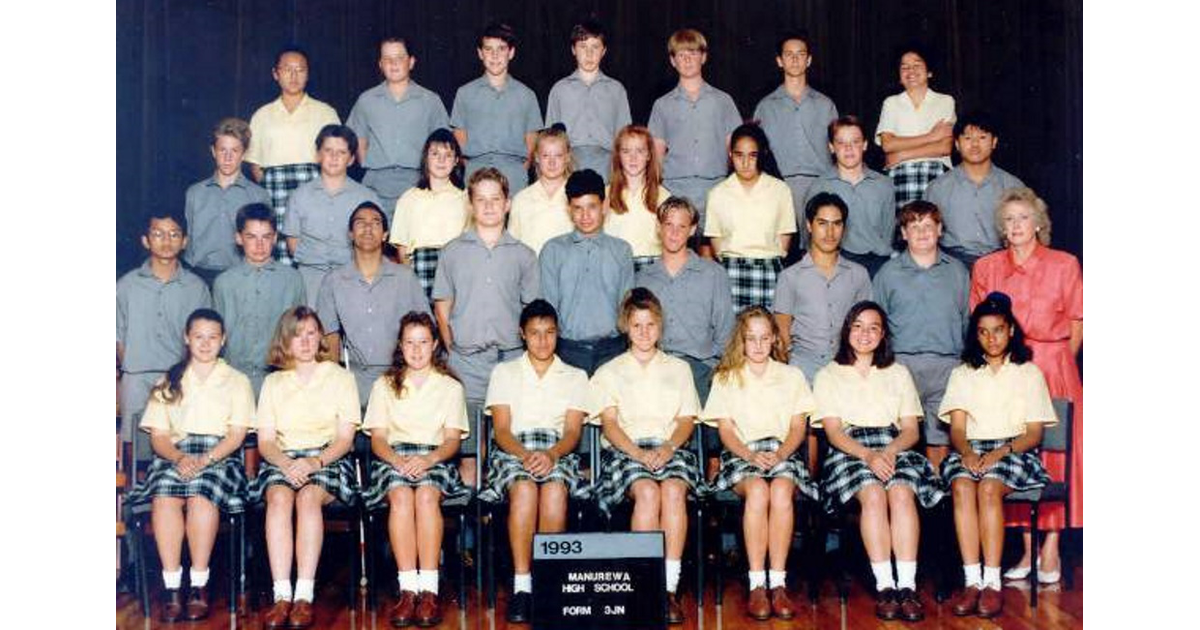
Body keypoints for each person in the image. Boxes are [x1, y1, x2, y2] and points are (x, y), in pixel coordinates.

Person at [969, 187, 1082, 585]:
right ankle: (1025, 549)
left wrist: (1057, 364)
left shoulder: (1064, 263)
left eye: (1023, 218)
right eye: (1009, 220)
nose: (1015, 225)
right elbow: (978, 323)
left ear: (1038, 223)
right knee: (1011, 452)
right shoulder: (987, 267)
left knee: (1053, 456)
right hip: (1006, 369)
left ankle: (1050, 547)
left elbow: (1077, 323)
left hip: (1052, 366)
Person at [812, 301, 944, 622]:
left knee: (900, 492)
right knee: (872, 493)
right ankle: (885, 586)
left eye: (873, 327)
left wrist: (888, 452)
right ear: (847, 331)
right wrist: (868, 455)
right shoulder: (829, 374)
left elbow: (912, 430)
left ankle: (907, 587)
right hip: (851, 449)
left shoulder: (898, 373)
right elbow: (832, 432)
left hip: (894, 445)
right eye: (857, 326)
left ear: (883, 335)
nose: (865, 334)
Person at [126, 309, 253, 623]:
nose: (206, 343)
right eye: (199, 336)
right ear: (187, 338)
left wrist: (206, 459)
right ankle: (172, 588)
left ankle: (199, 585)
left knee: (200, 495)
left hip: (219, 456)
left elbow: (237, 435)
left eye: (213, 337)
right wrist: (179, 458)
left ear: (223, 341)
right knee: (165, 497)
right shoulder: (169, 379)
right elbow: (159, 436)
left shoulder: (237, 381)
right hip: (175, 454)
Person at [588, 287, 703, 625]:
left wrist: (668, 448)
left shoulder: (679, 368)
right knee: (649, 492)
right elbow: (608, 424)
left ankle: (667, 587)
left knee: (672, 490)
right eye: (636, 325)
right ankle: (643, 584)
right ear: (626, 326)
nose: (643, 332)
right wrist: (639, 454)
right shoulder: (609, 371)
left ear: (660, 327)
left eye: (650, 325)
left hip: (670, 448)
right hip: (628, 451)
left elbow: (686, 420)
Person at [938, 292, 1056, 619]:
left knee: (989, 487)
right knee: (963, 486)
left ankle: (992, 583)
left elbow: (1034, 433)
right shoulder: (962, 373)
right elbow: (957, 430)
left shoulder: (1028, 372)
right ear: (975, 335)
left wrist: (998, 454)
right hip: (971, 448)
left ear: (1011, 331)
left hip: (1014, 449)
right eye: (983, 331)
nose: (992, 338)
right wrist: (967, 453)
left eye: (999, 330)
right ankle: (972, 581)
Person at [701, 306, 817, 621]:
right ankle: (756, 584)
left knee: (780, 490)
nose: (758, 345)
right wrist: (750, 455)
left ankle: (778, 583)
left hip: (782, 452)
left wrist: (780, 455)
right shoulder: (726, 376)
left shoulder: (792, 376)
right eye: (751, 338)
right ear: (741, 340)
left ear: (774, 339)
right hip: (741, 453)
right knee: (757, 491)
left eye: (765, 337)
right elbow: (725, 430)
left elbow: (797, 428)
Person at [479, 300, 590, 623]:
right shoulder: (505, 372)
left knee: (555, 490)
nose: (543, 341)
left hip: (557, 450)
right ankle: (522, 585)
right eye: (535, 333)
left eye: (550, 333)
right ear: (522, 335)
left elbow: (572, 431)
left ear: (558, 334)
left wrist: (552, 454)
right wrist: (526, 456)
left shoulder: (575, 375)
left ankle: (548, 582)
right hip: (514, 450)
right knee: (525, 490)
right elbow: (500, 429)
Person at [251, 306, 360, 629]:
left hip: (327, 458)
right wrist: (287, 464)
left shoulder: (341, 378)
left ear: (320, 337)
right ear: (285, 340)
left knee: (308, 498)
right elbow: (266, 442)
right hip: (283, 459)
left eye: (312, 333)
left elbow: (345, 439)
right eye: (297, 334)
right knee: (280, 499)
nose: (306, 340)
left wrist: (314, 462)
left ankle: (303, 596)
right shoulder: (273, 382)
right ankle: (281, 595)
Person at [362, 312, 471, 628]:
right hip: (394, 459)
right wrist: (397, 461)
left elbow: (452, 441)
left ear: (435, 344)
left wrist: (429, 460)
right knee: (400, 496)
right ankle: (408, 588)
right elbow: (378, 439)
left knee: (425, 496)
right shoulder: (384, 385)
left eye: (424, 342)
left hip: (435, 459)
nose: (417, 349)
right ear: (400, 345)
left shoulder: (450, 387)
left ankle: (429, 590)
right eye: (409, 342)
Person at [433, 167, 540, 488]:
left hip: (510, 362)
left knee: (511, 452)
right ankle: (470, 535)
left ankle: (503, 530)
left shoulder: (524, 255)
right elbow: (442, 307)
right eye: (481, 200)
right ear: (470, 204)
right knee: (469, 454)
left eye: (496, 199)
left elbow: (533, 313)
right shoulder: (452, 252)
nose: (489, 206)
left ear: (508, 204)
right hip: (466, 363)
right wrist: (454, 347)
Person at [872, 201, 970, 470]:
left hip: (946, 366)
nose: (922, 232)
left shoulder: (958, 271)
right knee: (901, 437)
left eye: (928, 225)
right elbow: (877, 324)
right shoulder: (888, 274)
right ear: (903, 233)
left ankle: (937, 502)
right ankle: (907, 500)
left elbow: (965, 320)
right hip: (902, 365)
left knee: (940, 440)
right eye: (914, 226)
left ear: (939, 230)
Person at [118, 211, 212, 458]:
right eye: (158, 234)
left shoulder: (196, 287)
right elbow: (116, 337)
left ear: (185, 241)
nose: (166, 241)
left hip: (180, 379)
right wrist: (134, 367)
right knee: (135, 453)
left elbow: (205, 339)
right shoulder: (126, 286)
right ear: (146, 240)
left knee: (179, 449)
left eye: (174, 234)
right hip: (137, 379)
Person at [316, 201, 431, 402]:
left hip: (400, 379)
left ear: (385, 234)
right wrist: (333, 386)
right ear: (350, 233)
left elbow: (426, 330)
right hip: (353, 382)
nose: (368, 228)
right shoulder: (333, 280)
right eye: (360, 222)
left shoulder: (405, 278)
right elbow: (329, 338)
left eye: (376, 223)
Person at [648, 28, 742, 255]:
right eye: (681, 55)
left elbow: (736, 149)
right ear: (672, 61)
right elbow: (656, 155)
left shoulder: (723, 101)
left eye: (692, 53)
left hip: (715, 188)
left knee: (712, 255)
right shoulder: (662, 105)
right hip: (676, 189)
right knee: (677, 253)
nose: (687, 59)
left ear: (704, 56)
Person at [244, 47, 340, 263]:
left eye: (300, 70)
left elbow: (337, 158)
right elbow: (255, 164)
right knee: (276, 253)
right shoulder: (262, 115)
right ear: (275, 74)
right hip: (274, 193)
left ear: (308, 74)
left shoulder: (325, 112)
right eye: (288, 69)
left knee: (314, 252)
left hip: (314, 190)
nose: (294, 75)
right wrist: (272, 189)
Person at [635, 196, 734, 405]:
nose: (674, 232)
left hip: (700, 369)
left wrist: (713, 369)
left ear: (692, 229)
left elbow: (726, 333)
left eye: (682, 226)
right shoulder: (643, 277)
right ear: (658, 227)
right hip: (654, 367)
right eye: (668, 224)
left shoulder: (713, 274)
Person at [539, 169, 634, 375]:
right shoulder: (553, 250)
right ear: (569, 209)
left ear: (605, 206)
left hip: (613, 350)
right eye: (577, 208)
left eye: (592, 207)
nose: (585, 216)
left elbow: (626, 308)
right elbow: (549, 307)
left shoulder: (621, 251)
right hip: (568, 351)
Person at [346, 36, 451, 221]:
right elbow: (358, 142)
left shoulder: (430, 100)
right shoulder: (366, 100)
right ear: (380, 64)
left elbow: (443, 145)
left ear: (411, 62)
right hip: (376, 186)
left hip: (417, 184)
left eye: (400, 58)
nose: (393, 64)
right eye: (387, 59)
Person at [753, 30, 839, 250]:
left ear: (808, 60)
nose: (794, 58)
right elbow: (756, 153)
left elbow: (838, 149)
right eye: (788, 54)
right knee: (779, 252)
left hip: (818, 185)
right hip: (779, 188)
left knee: (820, 252)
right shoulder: (765, 106)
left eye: (800, 54)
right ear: (779, 61)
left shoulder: (825, 104)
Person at [772, 192, 872, 383]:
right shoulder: (790, 276)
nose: (830, 232)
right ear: (809, 226)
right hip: (802, 367)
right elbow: (782, 331)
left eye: (837, 223)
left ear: (844, 227)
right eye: (822, 223)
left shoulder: (858, 275)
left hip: (846, 366)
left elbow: (867, 325)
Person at [213, 203, 306, 396]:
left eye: (266, 237)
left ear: (275, 238)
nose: (259, 245)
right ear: (238, 238)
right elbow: (217, 336)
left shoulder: (292, 279)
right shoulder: (224, 282)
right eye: (251, 237)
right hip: (234, 378)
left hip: (280, 379)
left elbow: (300, 331)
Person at [282, 124, 382, 304]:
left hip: (352, 276)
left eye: (342, 152)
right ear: (318, 155)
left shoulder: (367, 197)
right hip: (309, 279)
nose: (334, 157)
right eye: (328, 150)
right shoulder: (300, 195)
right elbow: (293, 243)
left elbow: (375, 243)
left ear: (351, 159)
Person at [704, 122, 796, 310]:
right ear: (730, 155)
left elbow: (784, 240)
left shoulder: (780, 190)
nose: (745, 163)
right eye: (739, 155)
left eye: (752, 156)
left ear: (761, 155)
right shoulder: (717, 193)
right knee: (731, 336)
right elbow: (716, 243)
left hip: (769, 272)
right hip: (731, 273)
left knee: (768, 335)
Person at [923, 111, 1025, 268]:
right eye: (968, 138)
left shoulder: (1013, 186)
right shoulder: (938, 188)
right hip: (952, 265)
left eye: (982, 137)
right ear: (957, 144)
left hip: (1001, 263)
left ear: (994, 142)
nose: (975, 144)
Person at [450, 21, 542, 196]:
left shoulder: (526, 95)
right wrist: (471, 168)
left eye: (501, 49)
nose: (494, 55)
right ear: (480, 53)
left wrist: (518, 171)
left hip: (514, 175)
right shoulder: (465, 93)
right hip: (476, 172)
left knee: (515, 223)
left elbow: (532, 144)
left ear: (511, 52)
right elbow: (460, 139)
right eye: (488, 49)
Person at [804, 115, 897, 277]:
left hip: (875, 263)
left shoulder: (884, 185)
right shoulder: (819, 186)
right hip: (835, 263)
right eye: (841, 143)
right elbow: (810, 236)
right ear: (831, 147)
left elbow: (888, 230)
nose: (849, 148)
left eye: (855, 142)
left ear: (865, 144)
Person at [183, 117, 271, 285]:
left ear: (244, 154)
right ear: (213, 151)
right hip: (199, 275)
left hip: (240, 277)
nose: (228, 157)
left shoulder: (258, 195)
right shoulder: (195, 193)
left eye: (235, 151)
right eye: (222, 150)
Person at [544, 20, 632, 183]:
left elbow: (624, 137)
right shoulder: (559, 89)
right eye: (583, 47)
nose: (589, 54)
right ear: (573, 50)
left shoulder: (616, 90)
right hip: (569, 165)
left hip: (607, 166)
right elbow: (550, 138)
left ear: (604, 51)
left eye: (595, 47)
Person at [388, 128, 470, 298]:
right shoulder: (408, 199)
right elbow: (402, 251)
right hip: (419, 267)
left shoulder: (466, 198)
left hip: (456, 269)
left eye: (448, 155)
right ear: (426, 158)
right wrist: (409, 283)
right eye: (435, 154)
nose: (441, 160)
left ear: (456, 160)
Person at [874, 45, 955, 210]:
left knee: (935, 229)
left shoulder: (945, 101)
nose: (910, 70)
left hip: (936, 174)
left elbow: (945, 147)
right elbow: (888, 144)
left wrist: (902, 153)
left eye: (917, 65)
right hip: (900, 175)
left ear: (929, 72)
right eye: (904, 67)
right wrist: (931, 137)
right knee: (904, 230)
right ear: (899, 76)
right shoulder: (891, 103)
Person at [605, 125, 671, 272]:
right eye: (626, 151)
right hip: (615, 266)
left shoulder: (664, 196)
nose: (633, 158)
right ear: (618, 155)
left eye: (640, 151)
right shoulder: (605, 194)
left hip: (652, 266)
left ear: (649, 155)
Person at [508, 124, 574, 255]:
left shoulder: (578, 196)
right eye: (545, 156)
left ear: (567, 157)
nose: (552, 162)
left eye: (558, 156)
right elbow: (512, 246)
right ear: (537, 157)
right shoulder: (522, 199)